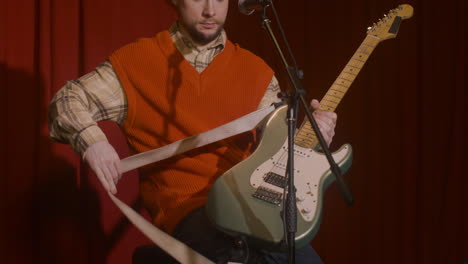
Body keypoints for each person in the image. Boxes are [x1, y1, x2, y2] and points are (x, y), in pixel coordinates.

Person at [49, 0, 337, 263]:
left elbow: (277, 156)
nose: (210, 10)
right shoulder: (136, 61)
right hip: (188, 212)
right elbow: (67, 100)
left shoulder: (258, 72)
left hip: (253, 204)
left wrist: (309, 140)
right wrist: (93, 142)